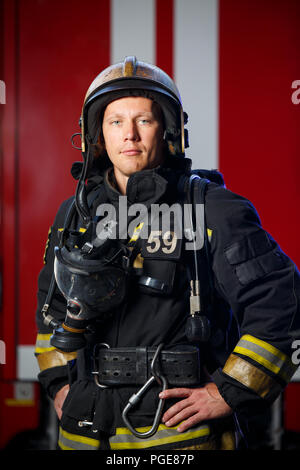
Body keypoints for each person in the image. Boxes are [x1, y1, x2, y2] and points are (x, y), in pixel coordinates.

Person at [35, 56, 300, 451]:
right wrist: (60, 389)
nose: (130, 135)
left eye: (144, 120)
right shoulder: (74, 215)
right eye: (115, 121)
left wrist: (227, 392)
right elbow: (50, 313)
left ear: (169, 132)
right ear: (97, 136)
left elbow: (282, 303)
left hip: (178, 435)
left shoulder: (210, 208)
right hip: (85, 430)